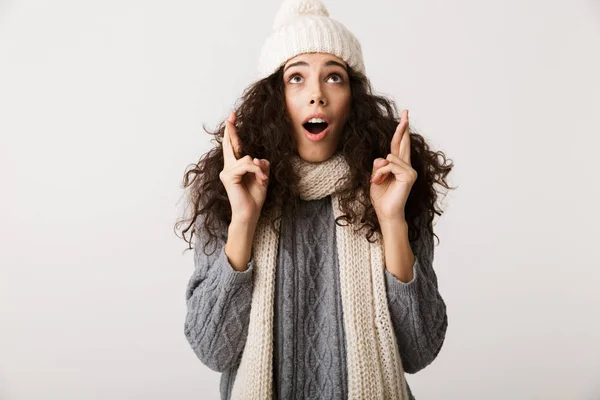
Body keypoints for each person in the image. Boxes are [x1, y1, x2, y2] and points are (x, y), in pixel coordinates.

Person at [176, 0, 455, 398]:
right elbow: (213, 349)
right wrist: (243, 221)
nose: (316, 96)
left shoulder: (394, 190)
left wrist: (392, 221)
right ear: (274, 99)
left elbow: (420, 349)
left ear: (354, 100)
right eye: (296, 78)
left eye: (335, 77)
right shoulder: (231, 192)